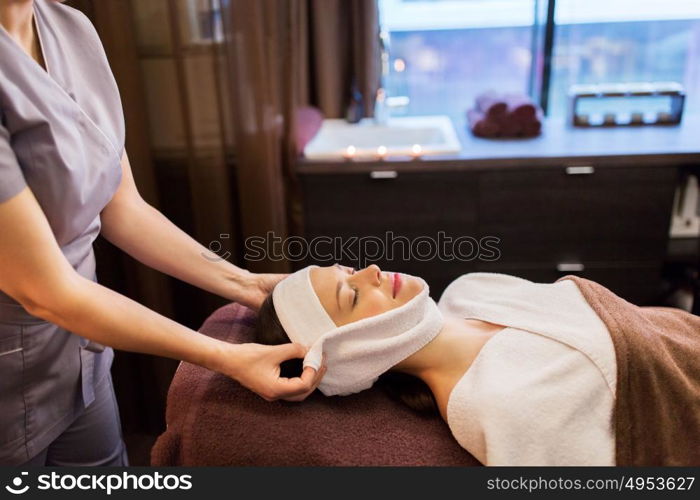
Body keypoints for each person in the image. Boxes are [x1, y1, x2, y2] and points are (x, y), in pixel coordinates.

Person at [0, 0, 323, 466]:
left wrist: (250, 285)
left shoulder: (70, 28)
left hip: (80, 359)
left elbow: (122, 207)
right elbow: (47, 292)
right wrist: (227, 358)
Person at [254, 263, 619, 466]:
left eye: (350, 270)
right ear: (351, 352)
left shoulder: (472, 288)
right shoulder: (495, 404)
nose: (372, 271)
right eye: (352, 294)